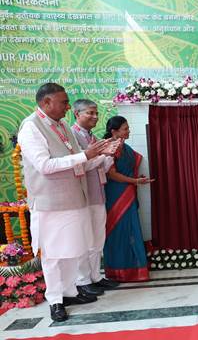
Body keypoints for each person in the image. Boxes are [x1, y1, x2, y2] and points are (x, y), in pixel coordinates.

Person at [17, 83, 116, 322]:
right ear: (46, 102)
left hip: (75, 199)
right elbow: (45, 166)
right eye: (63, 102)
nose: (68, 106)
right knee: (53, 255)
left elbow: (79, 165)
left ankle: (70, 292)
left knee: (74, 249)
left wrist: (102, 154)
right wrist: (85, 155)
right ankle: (55, 301)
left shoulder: (62, 126)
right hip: (50, 203)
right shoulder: (31, 127)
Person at [71, 99, 120, 295]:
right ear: (77, 114)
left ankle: (95, 277)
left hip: (98, 193)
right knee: (84, 239)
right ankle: (82, 281)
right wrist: (102, 155)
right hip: (82, 196)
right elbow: (79, 165)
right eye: (90, 113)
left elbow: (102, 168)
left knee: (97, 239)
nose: (95, 117)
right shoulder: (72, 136)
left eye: (96, 113)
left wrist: (110, 155)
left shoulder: (93, 137)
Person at [103, 116, 153, 282]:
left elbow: (130, 168)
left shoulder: (126, 147)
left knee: (131, 228)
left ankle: (134, 268)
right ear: (114, 131)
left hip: (128, 191)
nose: (128, 131)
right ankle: (118, 270)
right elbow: (112, 174)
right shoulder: (110, 148)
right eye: (125, 128)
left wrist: (138, 179)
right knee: (118, 230)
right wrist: (135, 181)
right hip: (116, 194)